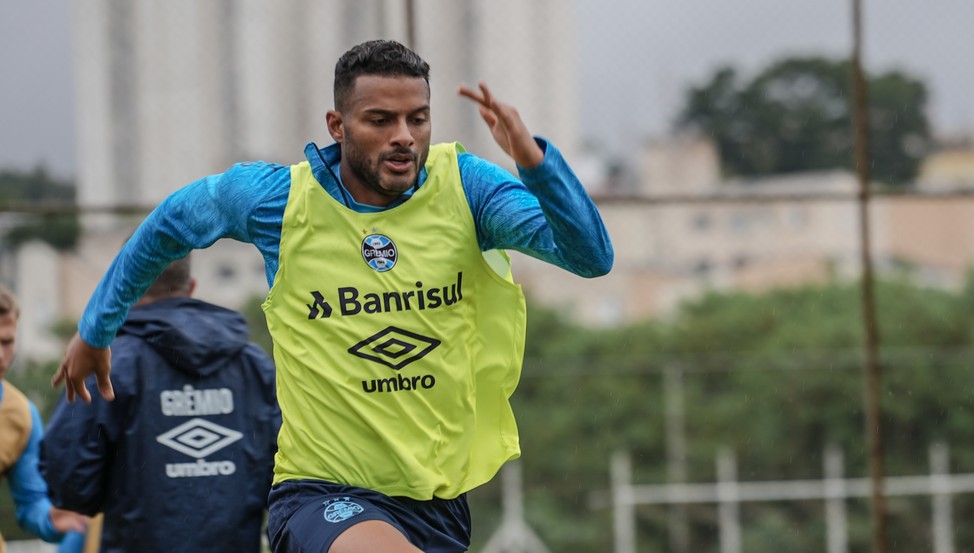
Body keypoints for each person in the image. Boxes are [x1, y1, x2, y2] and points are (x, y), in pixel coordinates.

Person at [52, 39, 613, 553]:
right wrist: (97, 329)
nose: (404, 136)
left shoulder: (467, 187)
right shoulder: (276, 201)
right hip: (323, 494)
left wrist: (535, 163)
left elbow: (590, 257)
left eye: (417, 119)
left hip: (437, 503)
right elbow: (168, 226)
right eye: (380, 120)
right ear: (338, 125)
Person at [41, 255, 281, 553]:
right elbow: (290, 475)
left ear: (122, 287)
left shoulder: (110, 367)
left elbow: (68, 480)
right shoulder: (255, 366)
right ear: (191, 286)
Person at [0, 284, 87, 553]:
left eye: (6, 342)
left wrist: (51, 518)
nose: (1, 355)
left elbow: (30, 502)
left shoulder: (22, 414)